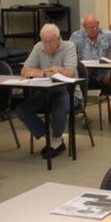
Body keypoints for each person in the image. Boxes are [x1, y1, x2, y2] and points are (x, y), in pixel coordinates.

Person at [16, 23, 82, 159]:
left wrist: (39, 72)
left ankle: (55, 140)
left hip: (69, 92)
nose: (47, 45)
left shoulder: (69, 46)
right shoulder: (38, 47)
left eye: (50, 42)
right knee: (22, 110)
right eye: (44, 42)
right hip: (47, 92)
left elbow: (69, 72)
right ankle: (54, 140)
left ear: (58, 39)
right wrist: (46, 72)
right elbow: (24, 70)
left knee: (58, 110)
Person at [69, 14, 111, 123]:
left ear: (98, 24)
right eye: (89, 28)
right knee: (77, 80)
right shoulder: (76, 36)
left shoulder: (107, 34)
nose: (93, 30)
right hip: (86, 74)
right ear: (84, 26)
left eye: (95, 27)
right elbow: (69, 55)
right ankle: (82, 113)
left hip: (104, 74)